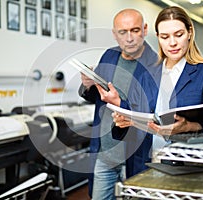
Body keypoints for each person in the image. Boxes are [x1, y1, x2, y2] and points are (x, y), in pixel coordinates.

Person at [98, 6, 203, 161]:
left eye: (179, 35)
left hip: (189, 164)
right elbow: (135, 121)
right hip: (145, 164)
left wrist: (191, 126)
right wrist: (122, 121)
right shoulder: (147, 74)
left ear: (189, 33)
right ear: (158, 37)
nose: (172, 43)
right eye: (165, 37)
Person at [78, 9, 158, 200]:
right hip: (104, 155)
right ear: (115, 34)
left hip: (135, 157)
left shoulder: (155, 63)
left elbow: (151, 111)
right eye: (123, 32)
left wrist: (120, 103)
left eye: (135, 30)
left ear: (145, 30)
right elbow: (97, 98)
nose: (129, 38)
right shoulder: (109, 56)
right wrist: (87, 85)